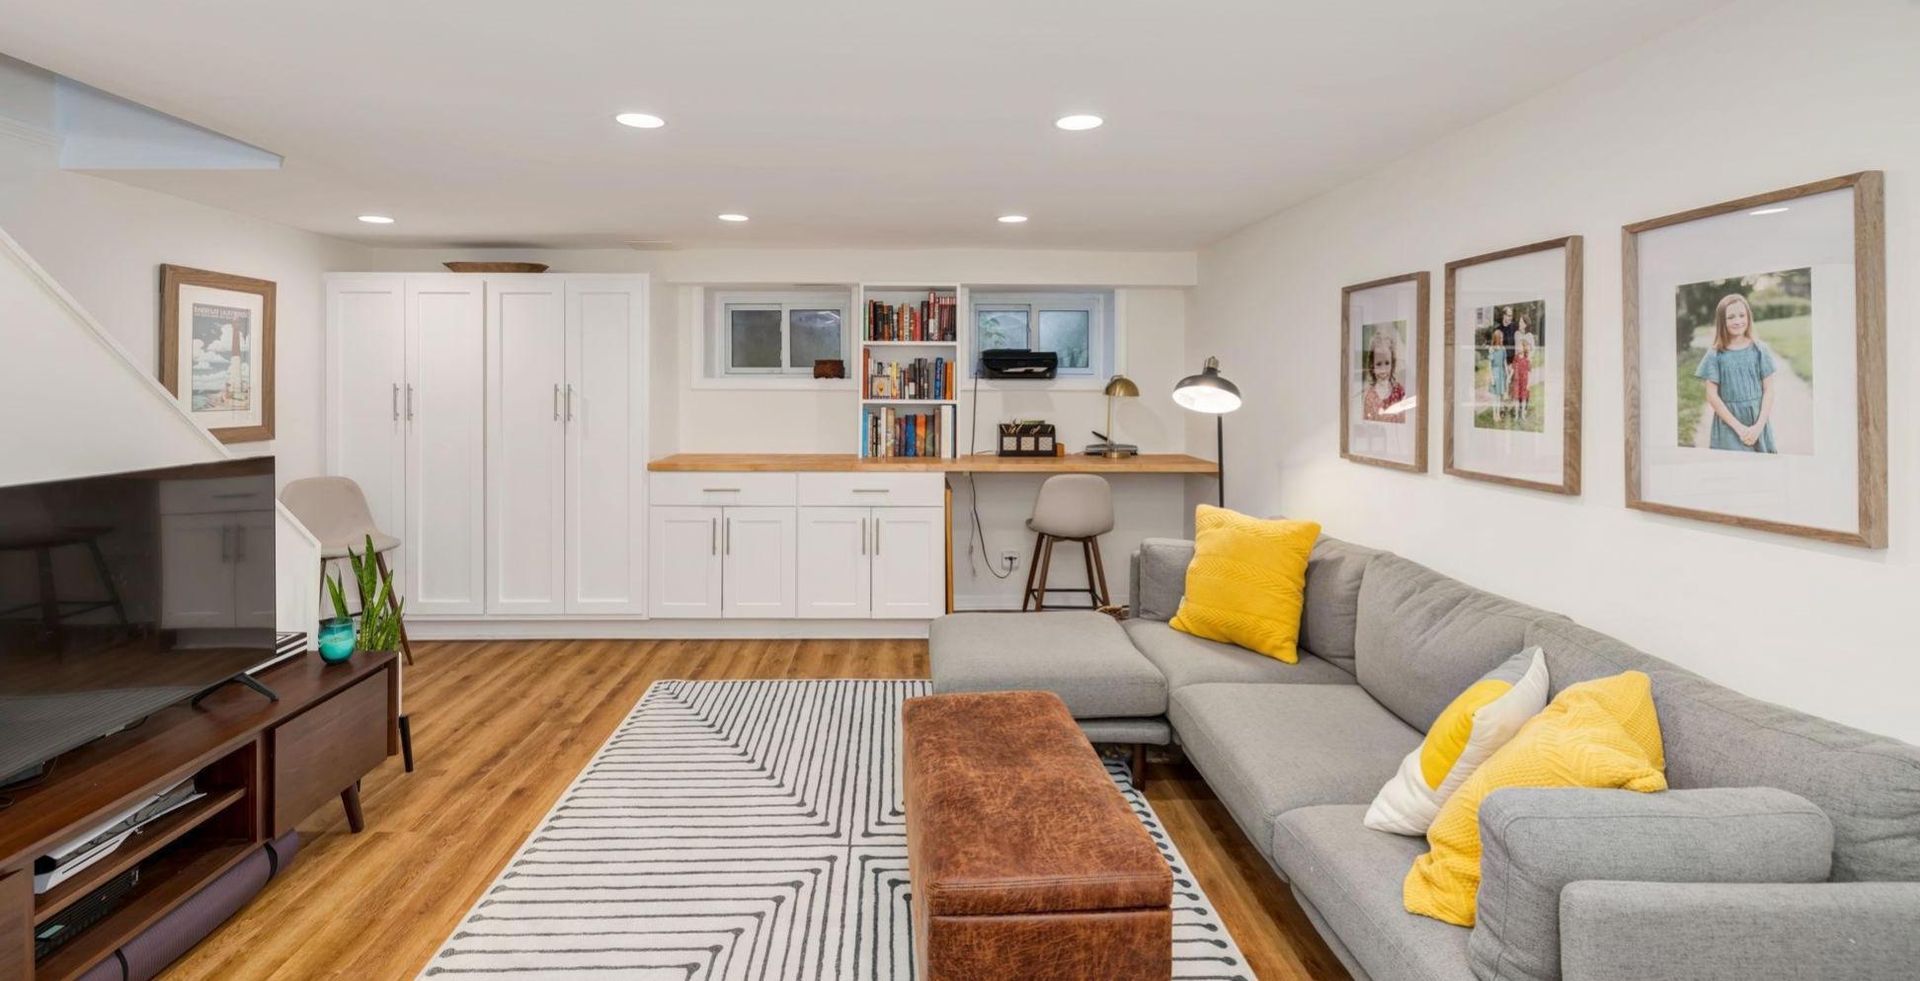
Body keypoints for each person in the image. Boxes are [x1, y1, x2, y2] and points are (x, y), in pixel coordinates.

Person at [1694, 294, 1777, 453]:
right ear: (1722, 322)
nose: (1738, 321)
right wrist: (1739, 428)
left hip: (1757, 422)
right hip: (1729, 425)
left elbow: (1769, 390)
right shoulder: (1715, 355)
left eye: (1741, 315)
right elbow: (1712, 396)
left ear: (1748, 317)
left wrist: (1758, 426)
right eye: (1731, 317)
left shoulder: (1760, 350)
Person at [1362, 329, 1406, 423]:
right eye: (1378, 364)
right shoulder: (1370, 397)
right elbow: (1367, 425)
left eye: (1387, 363)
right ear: (1372, 366)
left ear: (1392, 364)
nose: (1383, 369)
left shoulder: (1399, 392)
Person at [1511, 312, 1535, 422]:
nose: (1519, 323)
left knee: (1525, 388)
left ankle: (1523, 410)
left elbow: (1532, 350)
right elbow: (1517, 347)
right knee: (1517, 387)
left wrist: (1528, 356)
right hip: (1517, 362)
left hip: (1525, 361)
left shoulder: (1530, 336)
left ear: (1525, 324)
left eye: (1521, 322)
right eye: (1519, 321)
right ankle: (1517, 410)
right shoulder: (1516, 334)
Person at [1487, 319, 1509, 418]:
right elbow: (1489, 364)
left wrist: (1507, 374)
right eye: (1500, 338)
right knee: (1495, 396)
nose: (1502, 340)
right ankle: (1494, 413)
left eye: (1502, 338)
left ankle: (1498, 414)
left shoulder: (1503, 349)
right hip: (1495, 373)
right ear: (1496, 339)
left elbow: (1504, 362)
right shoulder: (1492, 349)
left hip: (1501, 373)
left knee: (1500, 395)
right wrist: (1491, 377)